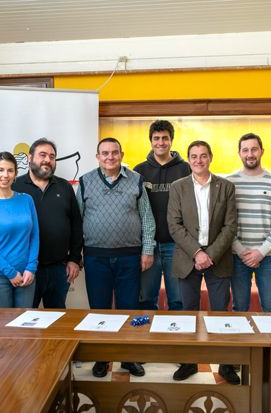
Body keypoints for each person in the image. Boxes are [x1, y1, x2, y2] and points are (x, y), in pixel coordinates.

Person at [76, 137, 155, 378]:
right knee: (99, 311)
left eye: (114, 152)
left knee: (129, 310)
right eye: (105, 153)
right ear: (97, 156)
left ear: (121, 154)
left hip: (129, 257)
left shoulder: (136, 180)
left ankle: (128, 357)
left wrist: (147, 250)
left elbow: (147, 218)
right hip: (96, 258)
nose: (110, 157)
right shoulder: (85, 181)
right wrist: (76, 254)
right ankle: (102, 358)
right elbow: (77, 220)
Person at [167, 140, 238, 383]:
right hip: (188, 258)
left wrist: (210, 255)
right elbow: (174, 225)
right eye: (194, 156)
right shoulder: (178, 187)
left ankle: (226, 365)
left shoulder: (226, 187)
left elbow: (230, 226)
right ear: (188, 160)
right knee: (188, 313)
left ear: (210, 158)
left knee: (220, 314)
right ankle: (189, 363)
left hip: (218, 258)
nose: (199, 160)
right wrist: (197, 253)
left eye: (203, 155)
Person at [12, 138, 83, 309]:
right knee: (25, 317)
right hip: (25, 268)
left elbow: (76, 224)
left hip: (59, 268)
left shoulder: (64, 187)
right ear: (30, 158)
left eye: (52, 156)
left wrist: (74, 259)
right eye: (42, 155)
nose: (47, 160)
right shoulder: (15, 187)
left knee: (58, 317)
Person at [227, 133, 271, 312]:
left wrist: (261, 252)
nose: (250, 154)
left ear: (262, 151)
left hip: (268, 256)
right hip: (238, 256)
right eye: (245, 150)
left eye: (254, 149)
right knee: (239, 309)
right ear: (239, 153)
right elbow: (224, 221)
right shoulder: (229, 183)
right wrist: (241, 250)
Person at [134, 120, 190, 310]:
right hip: (148, 246)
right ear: (150, 141)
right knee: (146, 300)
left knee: (178, 300)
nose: (160, 142)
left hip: (177, 245)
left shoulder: (185, 169)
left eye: (165, 138)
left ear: (171, 140)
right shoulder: (139, 171)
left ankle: (178, 331)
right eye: (156, 138)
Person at [0, 152, 39, 308]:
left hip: (26, 276)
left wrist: (31, 268)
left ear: (16, 174)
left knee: (24, 322)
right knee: (2, 323)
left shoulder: (27, 200)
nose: (5, 175)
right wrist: (10, 273)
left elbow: (34, 236)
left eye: (10, 170)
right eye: (1, 170)